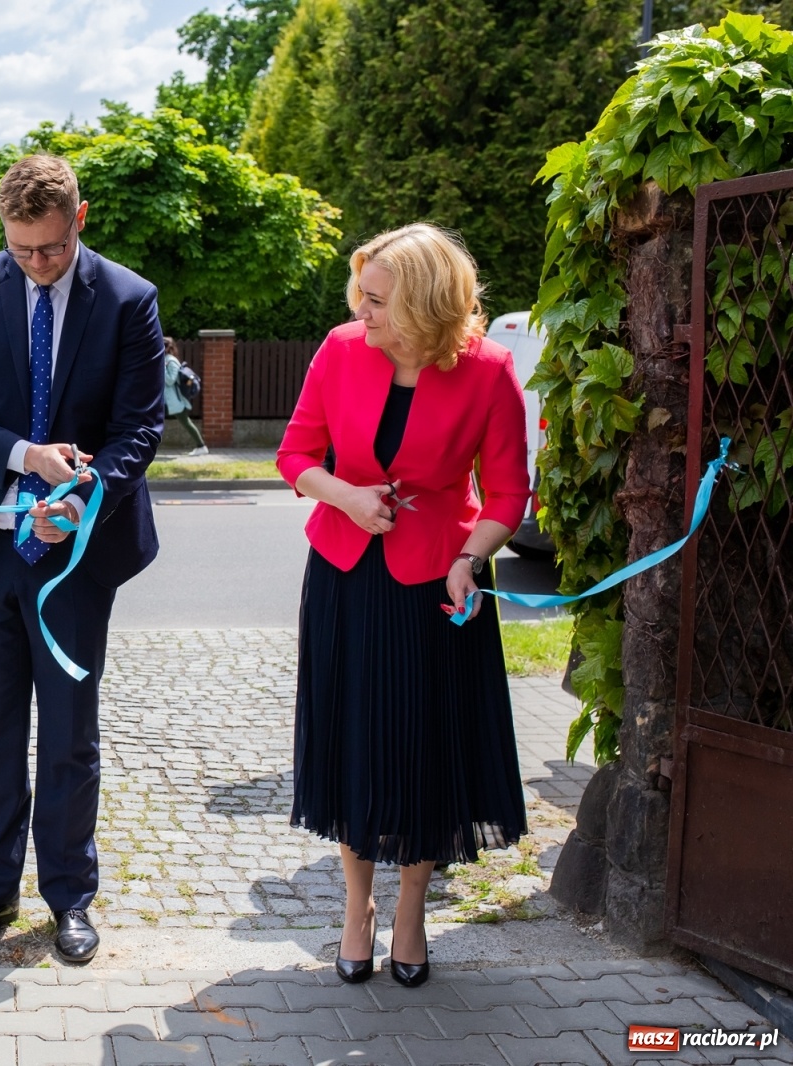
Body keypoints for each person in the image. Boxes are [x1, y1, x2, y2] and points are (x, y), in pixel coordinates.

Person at [276, 223, 530, 988]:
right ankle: (357, 909)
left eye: (378, 300)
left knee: (422, 753)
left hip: (434, 588)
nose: (364, 311)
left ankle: (412, 912)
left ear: (423, 305)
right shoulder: (341, 347)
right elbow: (293, 454)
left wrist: (469, 558)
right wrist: (346, 496)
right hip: (345, 577)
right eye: (361, 296)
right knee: (354, 744)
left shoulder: (488, 373)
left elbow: (510, 492)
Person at [0, 154, 164, 964]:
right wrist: (28, 457)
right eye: (22, 249)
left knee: (68, 734)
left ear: (80, 220)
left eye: (51, 249)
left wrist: (83, 495)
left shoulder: (130, 300)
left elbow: (140, 428)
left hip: (75, 557)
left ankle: (70, 898)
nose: (36, 264)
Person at [162, 338, 208, 456]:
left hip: (175, 400)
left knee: (186, 422)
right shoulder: (166, 360)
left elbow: (170, 380)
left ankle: (201, 446)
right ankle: (201, 446)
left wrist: (161, 367)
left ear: (166, 347)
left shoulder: (170, 361)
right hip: (168, 400)